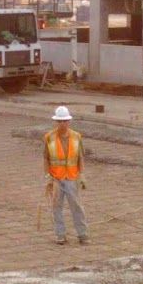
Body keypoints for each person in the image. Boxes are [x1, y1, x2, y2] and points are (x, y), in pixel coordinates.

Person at [43, 105, 89, 245]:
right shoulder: (49, 137)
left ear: (69, 121)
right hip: (56, 178)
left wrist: (81, 175)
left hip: (71, 177)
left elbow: (80, 157)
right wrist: (48, 177)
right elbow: (46, 158)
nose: (62, 124)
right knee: (56, 207)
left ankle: (82, 234)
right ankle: (60, 235)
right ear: (56, 122)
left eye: (64, 121)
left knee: (76, 207)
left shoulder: (76, 137)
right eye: (59, 121)